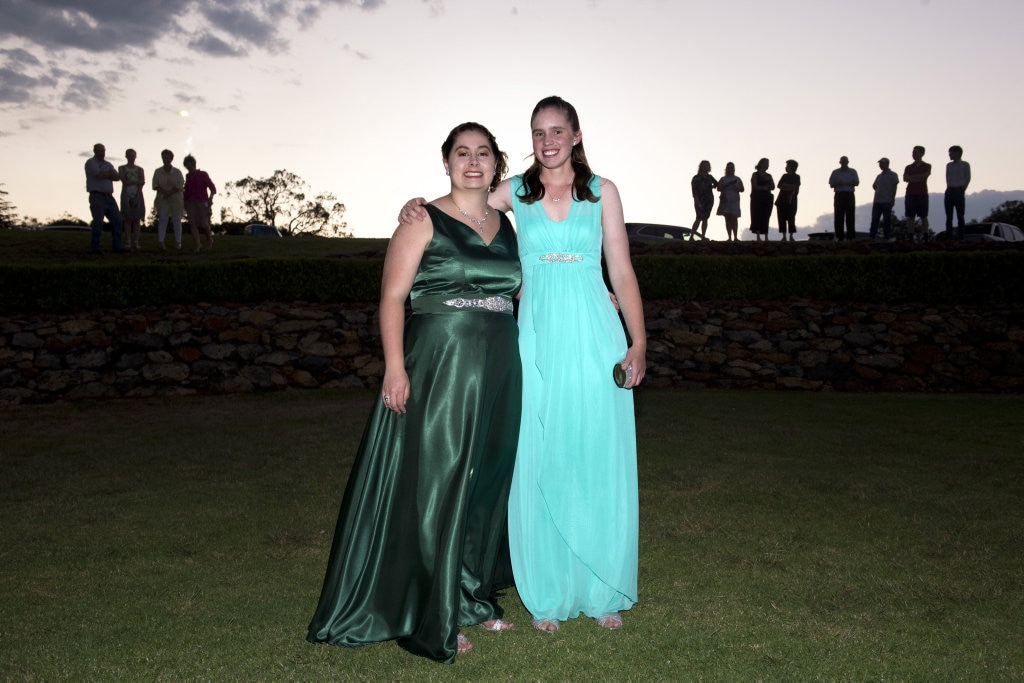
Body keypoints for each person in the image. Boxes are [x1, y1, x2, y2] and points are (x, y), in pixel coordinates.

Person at [399, 96, 647, 634]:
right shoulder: (515, 192)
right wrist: (416, 206)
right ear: (531, 141)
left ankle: (601, 586)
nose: (548, 141)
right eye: (538, 133)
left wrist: (638, 341)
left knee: (594, 448)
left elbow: (622, 270)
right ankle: (549, 591)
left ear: (577, 135)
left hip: (596, 335)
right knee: (539, 452)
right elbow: (463, 202)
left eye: (558, 131)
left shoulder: (603, 192)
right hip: (533, 337)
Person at [307, 122, 522, 663]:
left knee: (485, 481)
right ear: (445, 161)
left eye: (483, 153)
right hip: (440, 365)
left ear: (497, 162)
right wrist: (395, 368)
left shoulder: (509, 222)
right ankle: (431, 608)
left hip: (500, 367)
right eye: (461, 153)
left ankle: (470, 596)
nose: (472, 162)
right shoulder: (421, 219)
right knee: (438, 482)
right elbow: (391, 298)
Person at [84, 143, 124, 254]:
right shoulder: (90, 162)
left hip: (109, 197)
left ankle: (117, 247)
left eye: (103, 150)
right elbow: (98, 175)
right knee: (98, 222)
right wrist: (109, 174)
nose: (102, 153)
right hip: (97, 196)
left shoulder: (108, 164)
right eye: (100, 151)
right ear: (95, 151)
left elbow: (117, 177)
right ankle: (95, 248)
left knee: (117, 221)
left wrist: (107, 174)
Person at [152, 149, 185, 250]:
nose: (165, 159)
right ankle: (161, 241)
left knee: (176, 220)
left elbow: (180, 184)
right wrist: (165, 192)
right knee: (163, 219)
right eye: (164, 157)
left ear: (171, 159)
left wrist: (169, 193)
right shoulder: (157, 171)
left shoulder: (177, 172)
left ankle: (178, 242)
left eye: (167, 157)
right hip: (162, 199)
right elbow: (155, 185)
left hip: (176, 200)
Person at [182, 155, 217, 252]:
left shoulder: (203, 174)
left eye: (190, 166)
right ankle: (198, 244)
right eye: (187, 167)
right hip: (190, 202)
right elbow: (187, 190)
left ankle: (210, 239)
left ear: (194, 164)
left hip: (202, 202)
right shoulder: (188, 176)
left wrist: (210, 198)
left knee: (203, 223)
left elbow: (212, 188)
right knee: (192, 223)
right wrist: (184, 201)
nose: (189, 169)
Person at [118, 149, 146, 251]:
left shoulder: (140, 169)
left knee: (137, 219)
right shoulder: (121, 168)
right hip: (126, 195)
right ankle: (128, 241)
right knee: (127, 219)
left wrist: (137, 191)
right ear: (126, 156)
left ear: (135, 156)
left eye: (133, 155)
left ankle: (136, 241)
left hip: (138, 194)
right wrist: (136, 181)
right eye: (129, 155)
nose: (131, 157)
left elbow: (142, 182)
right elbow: (124, 181)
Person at [903, 146, 931, 242]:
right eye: (913, 152)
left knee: (923, 216)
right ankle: (910, 237)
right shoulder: (908, 167)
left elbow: (924, 177)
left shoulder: (927, 166)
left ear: (922, 154)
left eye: (915, 152)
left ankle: (926, 236)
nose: (913, 154)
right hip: (910, 193)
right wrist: (916, 178)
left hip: (922, 193)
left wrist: (911, 178)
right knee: (910, 216)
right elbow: (905, 178)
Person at [828, 156, 860, 240]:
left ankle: (851, 237)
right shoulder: (835, 172)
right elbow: (831, 184)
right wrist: (839, 183)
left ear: (848, 162)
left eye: (845, 162)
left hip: (849, 194)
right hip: (839, 195)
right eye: (842, 162)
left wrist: (846, 183)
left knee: (850, 216)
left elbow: (857, 182)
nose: (844, 163)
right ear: (840, 163)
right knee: (838, 216)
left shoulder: (853, 171)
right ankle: (839, 236)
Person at [944, 145, 971, 241]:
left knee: (960, 215)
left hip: (959, 190)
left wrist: (962, 189)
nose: (949, 155)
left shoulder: (965, 164)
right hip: (950, 190)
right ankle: (949, 237)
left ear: (957, 153)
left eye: (951, 153)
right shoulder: (949, 165)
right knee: (949, 216)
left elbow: (967, 178)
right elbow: (947, 178)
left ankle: (961, 237)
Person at [870, 158, 900, 240]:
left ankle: (887, 237)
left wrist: (892, 198)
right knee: (875, 220)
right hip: (877, 201)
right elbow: (874, 185)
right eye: (880, 164)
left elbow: (894, 187)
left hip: (887, 201)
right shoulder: (879, 176)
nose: (880, 165)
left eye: (882, 163)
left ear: (887, 164)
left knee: (887, 220)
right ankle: (872, 237)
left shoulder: (893, 175)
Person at [716, 162, 744, 241]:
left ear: (734, 169)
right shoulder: (723, 179)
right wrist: (727, 185)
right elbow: (718, 188)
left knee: (734, 218)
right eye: (729, 167)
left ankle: (735, 237)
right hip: (725, 201)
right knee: (727, 218)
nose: (730, 169)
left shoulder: (738, 179)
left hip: (735, 201)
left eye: (731, 168)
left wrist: (737, 188)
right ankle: (729, 237)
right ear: (726, 169)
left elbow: (742, 189)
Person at [690, 160, 718, 239]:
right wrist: (697, 201)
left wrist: (713, 186)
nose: (706, 166)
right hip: (699, 199)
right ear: (701, 166)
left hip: (709, 199)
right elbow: (694, 191)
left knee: (705, 218)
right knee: (698, 217)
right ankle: (692, 236)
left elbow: (717, 183)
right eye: (704, 165)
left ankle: (703, 236)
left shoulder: (710, 177)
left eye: (707, 165)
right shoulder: (696, 178)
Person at [749, 158, 774, 241]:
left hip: (767, 198)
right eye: (765, 163)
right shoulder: (755, 174)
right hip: (757, 197)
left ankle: (766, 236)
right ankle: (758, 236)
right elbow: (755, 186)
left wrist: (767, 186)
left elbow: (773, 186)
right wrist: (764, 188)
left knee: (766, 216)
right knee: (757, 215)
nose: (767, 165)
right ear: (760, 164)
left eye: (768, 163)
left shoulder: (769, 176)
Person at [775, 159, 801, 241]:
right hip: (782, 199)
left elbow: (795, 187)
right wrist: (788, 186)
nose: (785, 168)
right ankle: (784, 236)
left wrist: (786, 186)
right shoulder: (784, 176)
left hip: (791, 200)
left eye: (787, 166)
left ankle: (791, 235)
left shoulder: (797, 177)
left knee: (791, 217)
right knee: (781, 217)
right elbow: (779, 185)